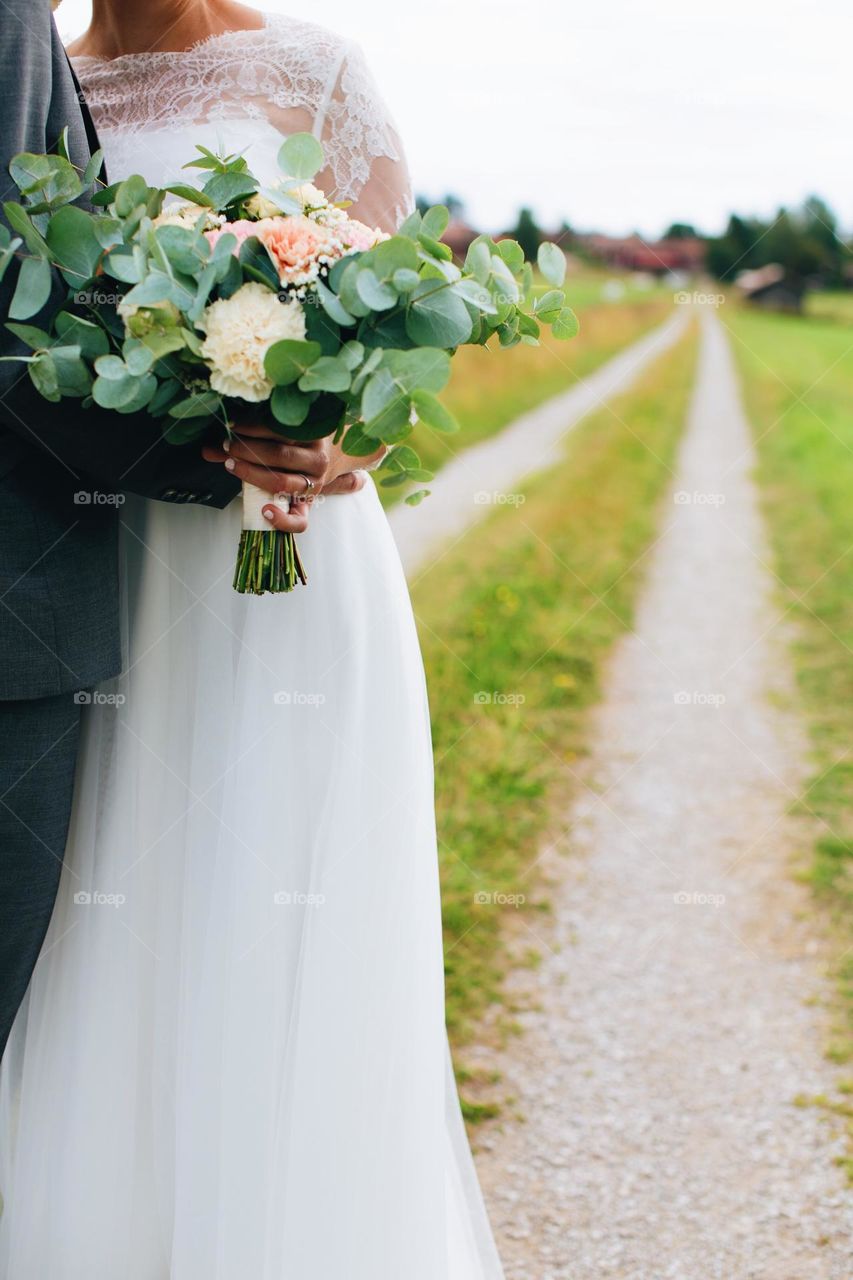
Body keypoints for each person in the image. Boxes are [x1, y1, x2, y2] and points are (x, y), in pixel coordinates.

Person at [0, 3, 506, 1277]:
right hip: (104, 558)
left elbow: (392, 341)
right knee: (108, 916)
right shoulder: (41, 82)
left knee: (277, 923)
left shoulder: (319, 73)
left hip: (284, 560)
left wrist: (336, 436)